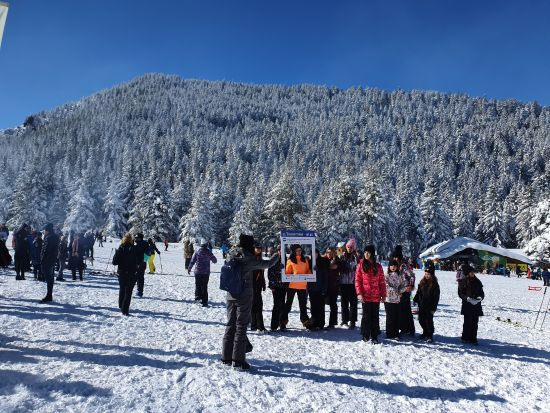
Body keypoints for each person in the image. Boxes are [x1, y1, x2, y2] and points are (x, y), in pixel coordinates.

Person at [221, 234, 280, 370]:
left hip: (230, 293)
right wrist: (276, 255)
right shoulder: (248, 257)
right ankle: (239, 360)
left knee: (230, 324)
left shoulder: (231, 253)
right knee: (241, 326)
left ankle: (226, 357)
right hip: (244, 295)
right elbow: (267, 264)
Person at [355, 245, 386, 344]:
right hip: (365, 295)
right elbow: (357, 280)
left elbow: (382, 282)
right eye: (365, 252)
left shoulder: (378, 266)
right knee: (366, 316)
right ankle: (365, 335)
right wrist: (359, 293)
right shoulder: (360, 265)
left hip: (376, 296)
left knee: (375, 316)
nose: (366, 254)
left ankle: (375, 335)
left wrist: (383, 294)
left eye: (368, 252)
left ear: (372, 254)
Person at [281, 244, 311, 328]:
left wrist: (310, 273)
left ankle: (305, 321)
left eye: (300, 250)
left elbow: (308, 270)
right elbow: (287, 273)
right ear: (294, 251)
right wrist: (284, 271)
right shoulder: (290, 260)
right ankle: (283, 321)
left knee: (303, 305)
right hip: (292, 285)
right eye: (297, 250)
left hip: (302, 286)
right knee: (288, 304)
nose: (299, 252)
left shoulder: (305, 260)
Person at [413, 262, 440, 342]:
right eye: (425, 274)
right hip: (421, 305)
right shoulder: (422, 283)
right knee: (421, 320)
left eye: (428, 274)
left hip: (430, 306)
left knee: (428, 321)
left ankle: (429, 335)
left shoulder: (435, 285)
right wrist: (415, 299)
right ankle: (425, 332)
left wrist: (433, 308)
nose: (426, 275)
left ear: (432, 275)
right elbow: (418, 293)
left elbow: (436, 298)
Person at [458, 265, 485, 345]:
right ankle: (465, 337)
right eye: (471, 272)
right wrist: (467, 298)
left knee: (474, 322)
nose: (473, 273)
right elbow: (460, 293)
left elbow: (481, 293)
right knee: (467, 322)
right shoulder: (462, 281)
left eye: (473, 272)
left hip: (476, 305)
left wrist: (480, 298)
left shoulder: (477, 281)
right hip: (467, 305)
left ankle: (473, 338)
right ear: (467, 273)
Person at [392, 245, 416, 336]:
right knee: (401, 310)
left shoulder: (404, 266)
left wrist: (411, 285)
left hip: (405, 290)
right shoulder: (394, 266)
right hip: (398, 291)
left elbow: (412, 276)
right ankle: (404, 328)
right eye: (394, 257)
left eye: (397, 257)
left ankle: (409, 329)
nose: (395, 259)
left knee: (405, 310)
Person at [112, 234, 138, 316]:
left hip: (122, 272)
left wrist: (116, 254)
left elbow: (114, 262)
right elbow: (138, 261)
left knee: (122, 289)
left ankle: (121, 305)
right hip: (131, 272)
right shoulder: (134, 249)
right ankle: (124, 309)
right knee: (128, 291)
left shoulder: (121, 248)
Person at [188, 238, 217, 307]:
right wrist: (212, 259)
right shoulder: (208, 252)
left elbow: (192, 261)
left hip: (197, 271)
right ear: (206, 245)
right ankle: (204, 302)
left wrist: (189, 268)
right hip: (206, 272)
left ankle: (198, 298)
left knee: (198, 285)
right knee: (204, 286)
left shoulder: (197, 251)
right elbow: (215, 260)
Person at [338, 239, 359, 329]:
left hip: (353, 283)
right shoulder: (342, 256)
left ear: (354, 248)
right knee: (344, 303)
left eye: (351, 247)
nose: (349, 249)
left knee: (353, 303)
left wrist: (357, 258)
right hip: (343, 282)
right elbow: (337, 264)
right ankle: (344, 320)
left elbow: (358, 267)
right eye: (348, 247)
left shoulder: (356, 257)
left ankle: (353, 321)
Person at [307, 249, 329, 330]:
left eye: (316, 253)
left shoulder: (322, 262)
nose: (314, 255)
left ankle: (321, 324)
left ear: (318, 254)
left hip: (320, 289)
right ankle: (314, 323)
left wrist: (324, 289)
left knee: (320, 307)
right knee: (313, 307)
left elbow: (325, 277)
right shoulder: (309, 263)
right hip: (311, 288)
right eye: (313, 254)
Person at [384, 259, 406, 340]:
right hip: (388, 299)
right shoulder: (386, 276)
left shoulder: (399, 276)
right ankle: (389, 333)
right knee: (390, 317)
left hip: (397, 300)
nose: (393, 267)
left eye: (395, 265)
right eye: (391, 265)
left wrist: (401, 291)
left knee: (397, 317)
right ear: (389, 266)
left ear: (397, 267)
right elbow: (385, 286)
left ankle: (396, 333)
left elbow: (403, 285)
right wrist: (395, 291)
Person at [267, 246, 287, 332]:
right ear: (278, 250)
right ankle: (274, 325)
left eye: (283, 250)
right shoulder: (274, 258)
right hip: (276, 286)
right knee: (276, 305)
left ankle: (282, 324)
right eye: (280, 250)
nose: (281, 251)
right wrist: (272, 285)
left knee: (283, 305)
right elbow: (270, 273)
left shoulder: (286, 259)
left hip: (284, 286)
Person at [40, 223, 60, 302]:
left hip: (47, 260)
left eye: (45, 230)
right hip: (52, 260)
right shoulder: (54, 236)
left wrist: (42, 259)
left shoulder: (49, 237)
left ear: (47, 230)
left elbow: (46, 250)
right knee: (50, 278)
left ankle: (49, 295)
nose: (44, 231)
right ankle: (49, 295)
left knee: (49, 278)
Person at [250, 245, 266, 331]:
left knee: (257, 305)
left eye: (260, 248)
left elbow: (261, 273)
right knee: (256, 305)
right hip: (252, 285)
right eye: (257, 248)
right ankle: (257, 326)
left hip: (258, 285)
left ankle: (256, 325)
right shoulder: (252, 259)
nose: (259, 250)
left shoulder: (260, 259)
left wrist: (263, 283)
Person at [325, 247, 340, 328]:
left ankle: (332, 323)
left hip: (333, 286)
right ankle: (320, 322)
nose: (329, 253)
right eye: (328, 252)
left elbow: (334, 267)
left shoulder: (337, 260)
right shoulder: (324, 260)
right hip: (324, 285)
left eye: (331, 252)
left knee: (333, 305)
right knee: (321, 303)